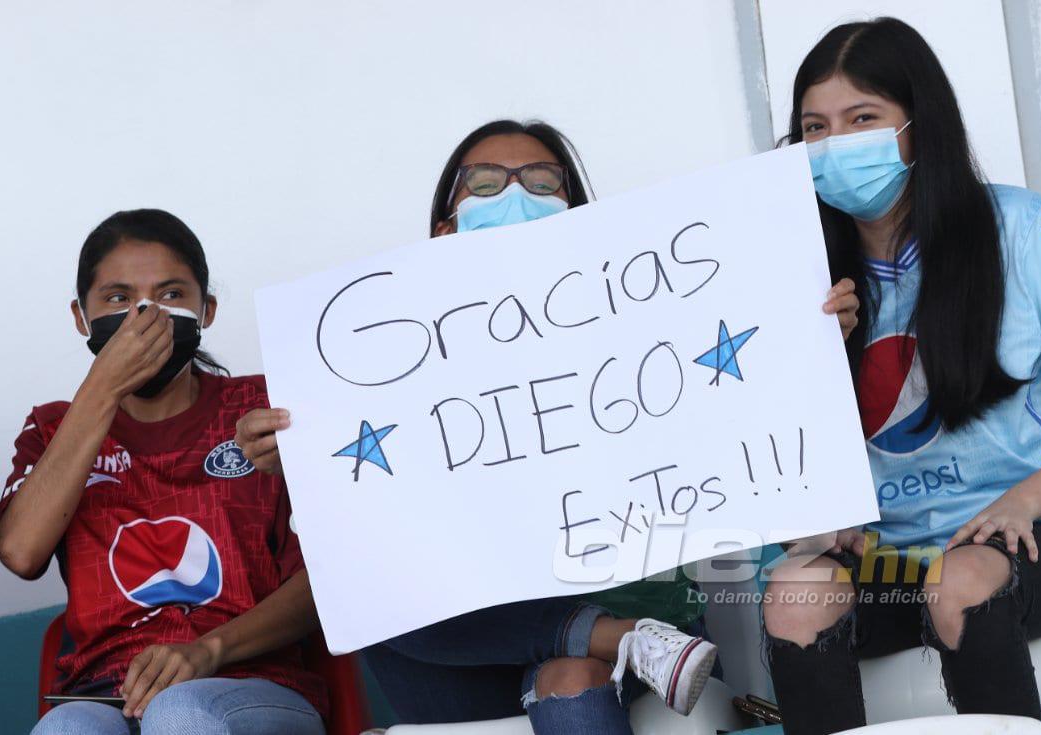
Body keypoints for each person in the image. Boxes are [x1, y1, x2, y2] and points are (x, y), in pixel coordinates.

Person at [235, 119, 859, 734]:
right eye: (483, 183)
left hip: (637, 638)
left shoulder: (657, 330)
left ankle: (615, 636)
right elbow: (361, 550)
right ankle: (616, 639)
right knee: (371, 589)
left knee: (571, 675)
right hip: (460, 655)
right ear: (443, 228)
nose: (513, 197)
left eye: (539, 181)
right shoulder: (382, 370)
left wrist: (802, 342)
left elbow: (744, 426)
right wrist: (303, 464)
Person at [761, 18, 1041, 735]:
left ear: (917, 124)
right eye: (814, 127)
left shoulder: (1021, 230)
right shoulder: (794, 278)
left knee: (960, 578)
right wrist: (810, 359)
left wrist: (1024, 501)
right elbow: (775, 482)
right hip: (891, 566)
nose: (834, 144)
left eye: (861, 118)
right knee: (792, 590)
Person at [0, 209, 327, 734]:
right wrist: (101, 390)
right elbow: (20, 552)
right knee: (64, 730)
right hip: (102, 692)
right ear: (81, 318)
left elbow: (330, 579)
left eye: (171, 295)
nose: (144, 316)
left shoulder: (266, 406)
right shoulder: (51, 428)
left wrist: (207, 650)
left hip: (251, 682)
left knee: (180, 714)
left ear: (207, 310)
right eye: (118, 298)